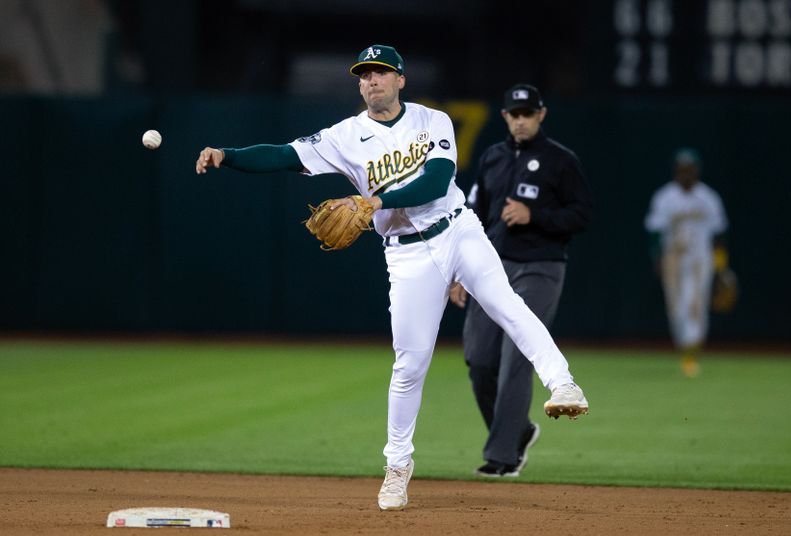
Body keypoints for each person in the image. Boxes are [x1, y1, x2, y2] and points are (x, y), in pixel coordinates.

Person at [195, 45, 588, 511]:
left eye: (380, 73)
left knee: (506, 304)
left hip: (458, 231)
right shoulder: (345, 135)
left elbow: (438, 181)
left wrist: (375, 202)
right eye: (364, 75)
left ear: (401, 80)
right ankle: (397, 467)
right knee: (409, 364)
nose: (371, 81)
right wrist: (228, 155)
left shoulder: (432, 120)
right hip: (406, 256)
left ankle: (563, 383)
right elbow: (284, 155)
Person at [449, 84, 592, 478]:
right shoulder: (493, 158)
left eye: (528, 113)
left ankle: (503, 456)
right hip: (490, 268)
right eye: (515, 113)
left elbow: (582, 214)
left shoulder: (560, 160)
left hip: (540, 267)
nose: (521, 120)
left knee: (516, 356)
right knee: (479, 360)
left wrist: (536, 216)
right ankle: (520, 431)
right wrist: (459, 271)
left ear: (541, 115)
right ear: (505, 117)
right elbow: (468, 216)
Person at [644, 148, 729, 377]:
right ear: (676, 172)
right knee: (676, 308)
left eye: (690, 170)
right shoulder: (665, 197)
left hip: (701, 259)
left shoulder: (708, 197)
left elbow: (718, 234)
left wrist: (721, 266)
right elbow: (655, 232)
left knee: (695, 304)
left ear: (697, 171)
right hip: (673, 258)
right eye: (682, 170)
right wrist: (658, 259)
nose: (686, 175)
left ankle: (692, 354)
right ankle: (686, 348)